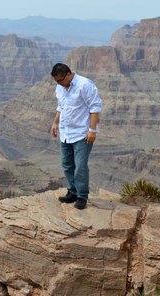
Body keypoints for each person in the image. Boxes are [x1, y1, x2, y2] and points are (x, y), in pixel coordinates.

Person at [50, 63, 102, 210]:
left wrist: (92, 130)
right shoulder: (60, 87)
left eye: (61, 80)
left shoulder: (85, 85)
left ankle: (82, 196)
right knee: (67, 164)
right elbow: (61, 106)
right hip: (65, 133)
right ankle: (73, 191)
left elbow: (95, 108)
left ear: (68, 74)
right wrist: (55, 123)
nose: (59, 84)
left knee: (80, 166)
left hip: (81, 134)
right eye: (56, 82)